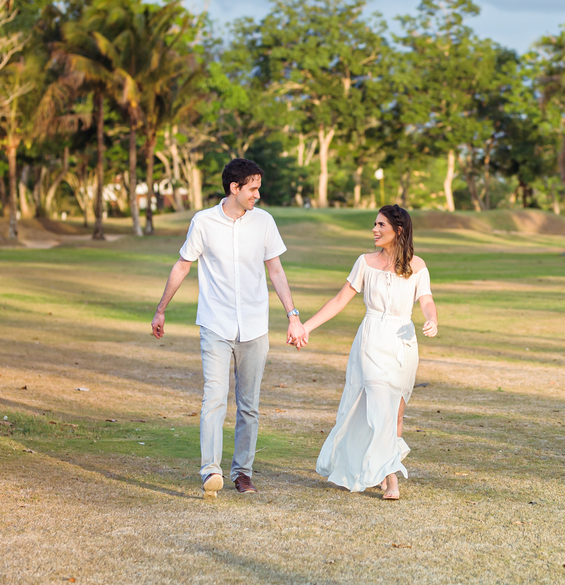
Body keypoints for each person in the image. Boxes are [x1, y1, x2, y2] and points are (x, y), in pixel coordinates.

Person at [151, 158, 306, 498]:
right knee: (214, 397)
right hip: (215, 325)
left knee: (249, 405)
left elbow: (276, 270)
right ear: (234, 188)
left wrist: (292, 316)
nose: (258, 195)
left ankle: (242, 473)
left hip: (255, 327)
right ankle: (210, 470)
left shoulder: (264, 222)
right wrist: (161, 310)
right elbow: (183, 265)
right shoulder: (203, 222)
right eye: (253, 188)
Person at [292, 204, 438, 500]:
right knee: (380, 406)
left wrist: (432, 318)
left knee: (396, 413)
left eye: (381, 225)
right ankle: (392, 479)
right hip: (371, 340)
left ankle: (382, 467)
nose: (374, 229)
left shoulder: (417, 265)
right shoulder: (364, 263)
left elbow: (426, 300)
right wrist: (305, 327)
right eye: (375, 224)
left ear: (399, 230)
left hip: (402, 343)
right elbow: (339, 300)